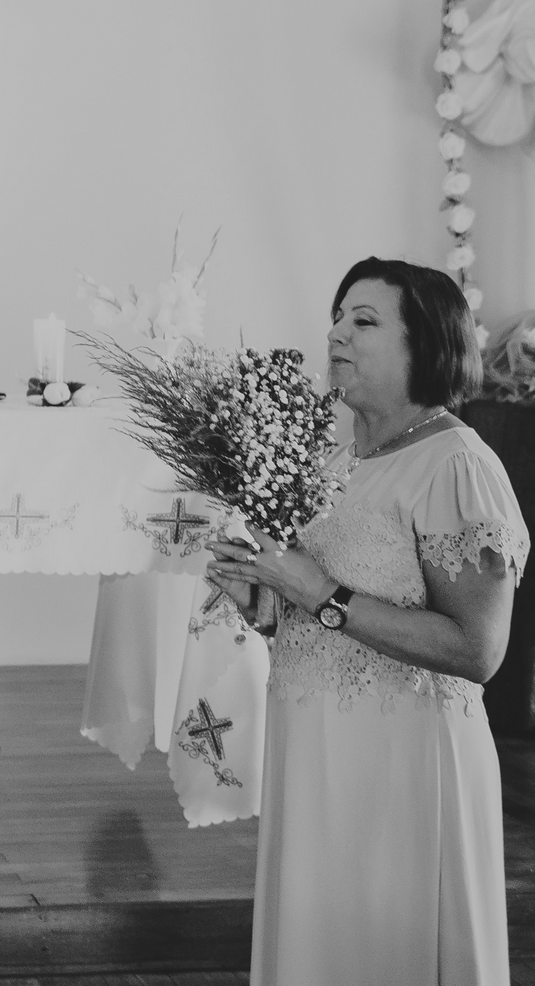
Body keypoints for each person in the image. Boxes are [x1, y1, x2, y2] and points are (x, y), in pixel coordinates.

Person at [207, 257, 526, 985]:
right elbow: (316, 614)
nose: (337, 332)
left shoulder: (456, 463)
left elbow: (479, 649)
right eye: (338, 315)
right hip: (315, 753)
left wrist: (319, 590)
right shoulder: (332, 461)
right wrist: (264, 601)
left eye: (364, 320)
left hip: (404, 765)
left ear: (426, 345)